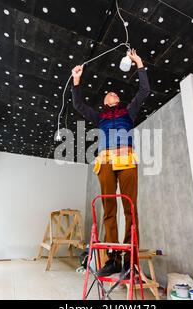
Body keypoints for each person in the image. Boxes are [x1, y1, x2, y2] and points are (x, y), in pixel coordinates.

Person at [71, 49, 150, 277]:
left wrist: (139, 62)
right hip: (105, 161)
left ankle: (129, 261)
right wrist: (77, 80)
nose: (111, 94)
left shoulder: (129, 112)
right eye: (108, 94)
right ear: (105, 102)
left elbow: (144, 90)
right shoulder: (99, 117)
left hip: (126, 160)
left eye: (114, 93)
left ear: (119, 100)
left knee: (130, 209)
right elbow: (78, 105)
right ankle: (113, 259)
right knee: (109, 209)